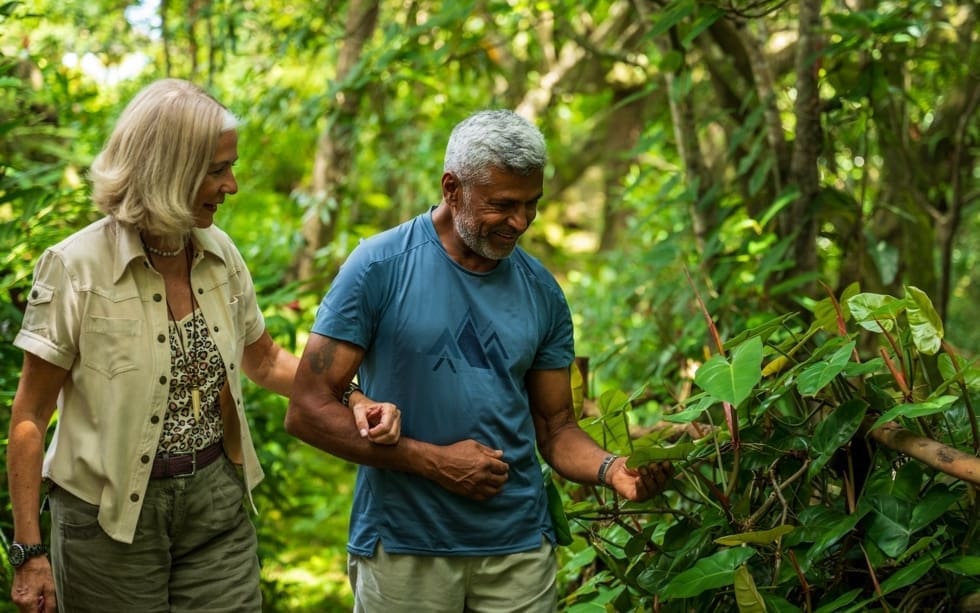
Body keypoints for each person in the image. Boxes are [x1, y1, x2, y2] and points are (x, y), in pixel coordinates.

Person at [6, 78, 400, 613]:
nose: (231, 185)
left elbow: (265, 360)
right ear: (168, 170)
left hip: (214, 503)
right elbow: (31, 414)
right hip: (106, 521)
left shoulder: (220, 254)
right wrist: (29, 553)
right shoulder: (75, 268)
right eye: (217, 170)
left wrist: (353, 396)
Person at [285, 109, 673, 612]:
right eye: (503, 204)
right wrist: (432, 462)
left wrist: (613, 469)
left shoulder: (542, 292)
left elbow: (556, 428)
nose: (521, 222)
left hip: (518, 550)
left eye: (532, 204)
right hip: (404, 545)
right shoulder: (378, 267)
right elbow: (307, 408)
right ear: (452, 189)